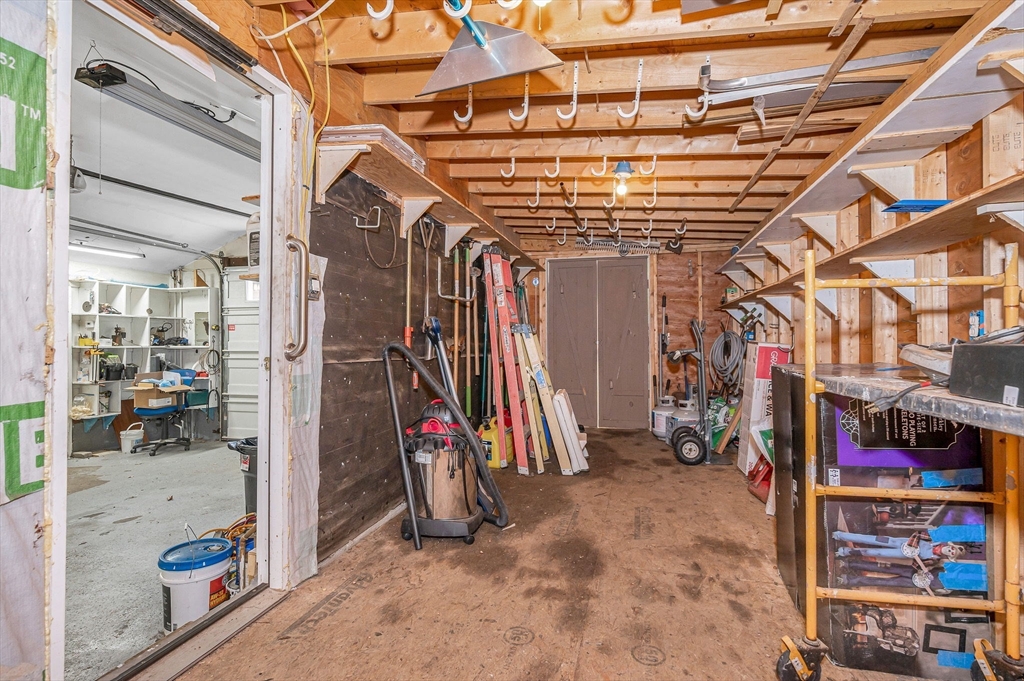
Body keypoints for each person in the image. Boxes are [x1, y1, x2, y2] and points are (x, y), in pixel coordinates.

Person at [834, 558, 987, 592]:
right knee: (885, 567)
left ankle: (847, 580)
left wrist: (935, 593)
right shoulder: (959, 568)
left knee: (883, 582)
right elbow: (940, 562)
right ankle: (848, 564)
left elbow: (945, 593)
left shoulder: (966, 588)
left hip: (918, 584)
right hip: (916, 571)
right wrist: (929, 566)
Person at [832, 530, 966, 561]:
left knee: (875, 553)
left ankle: (845, 552)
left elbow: (917, 566)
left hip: (901, 554)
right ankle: (839, 535)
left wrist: (923, 570)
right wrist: (913, 544)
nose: (950, 551)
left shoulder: (932, 559)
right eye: (952, 549)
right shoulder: (932, 540)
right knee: (871, 539)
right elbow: (918, 534)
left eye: (952, 553)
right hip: (896, 542)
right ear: (950, 546)